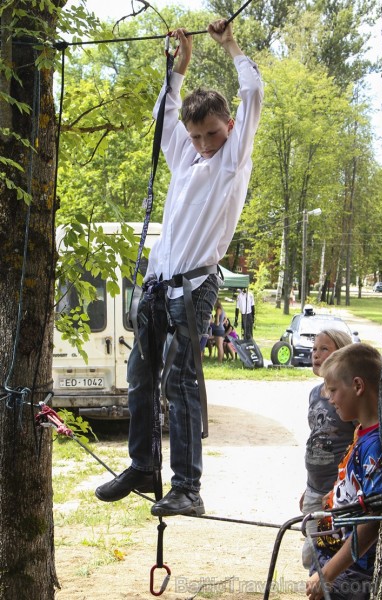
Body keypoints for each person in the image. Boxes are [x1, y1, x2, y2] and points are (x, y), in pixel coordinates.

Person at [95, 20, 263, 517]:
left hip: (194, 287)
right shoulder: (184, 157)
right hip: (157, 284)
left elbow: (252, 92)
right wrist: (179, 67)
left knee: (180, 381)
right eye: (197, 136)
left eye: (212, 133)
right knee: (140, 374)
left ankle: (187, 487)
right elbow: (166, 112)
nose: (204, 143)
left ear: (228, 127)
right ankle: (144, 465)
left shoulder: (233, 159)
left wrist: (229, 45)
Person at [306, 344, 382, 600]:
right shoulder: (362, 432)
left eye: (334, 389)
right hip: (338, 562)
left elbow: (372, 522)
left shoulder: (375, 445)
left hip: (353, 572)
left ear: (358, 386)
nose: (329, 398)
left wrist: (327, 574)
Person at [300, 329, 355, 570]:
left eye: (325, 349)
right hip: (314, 488)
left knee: (322, 553)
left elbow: (357, 438)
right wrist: (307, 486)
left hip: (333, 494)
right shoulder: (315, 393)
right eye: (314, 349)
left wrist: (337, 488)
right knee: (312, 555)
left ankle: (325, 588)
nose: (316, 354)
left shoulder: (346, 397)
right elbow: (316, 437)